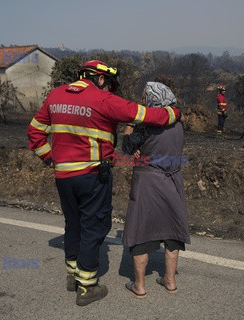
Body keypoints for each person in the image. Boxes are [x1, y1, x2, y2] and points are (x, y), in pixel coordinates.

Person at [27, 61, 181, 306]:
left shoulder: (55, 96)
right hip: (91, 175)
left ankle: (73, 276)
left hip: (63, 177)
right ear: (100, 79)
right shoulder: (101, 99)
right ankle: (87, 287)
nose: (109, 88)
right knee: (94, 226)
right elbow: (144, 114)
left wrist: (49, 158)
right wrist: (174, 113)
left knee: (73, 223)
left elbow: (34, 132)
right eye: (108, 84)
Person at [121, 81, 190, 299]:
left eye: (144, 97)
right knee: (171, 233)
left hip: (147, 184)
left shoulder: (144, 126)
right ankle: (170, 280)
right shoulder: (178, 124)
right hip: (172, 181)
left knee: (141, 234)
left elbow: (126, 147)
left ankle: (139, 286)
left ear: (152, 100)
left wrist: (130, 125)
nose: (142, 101)